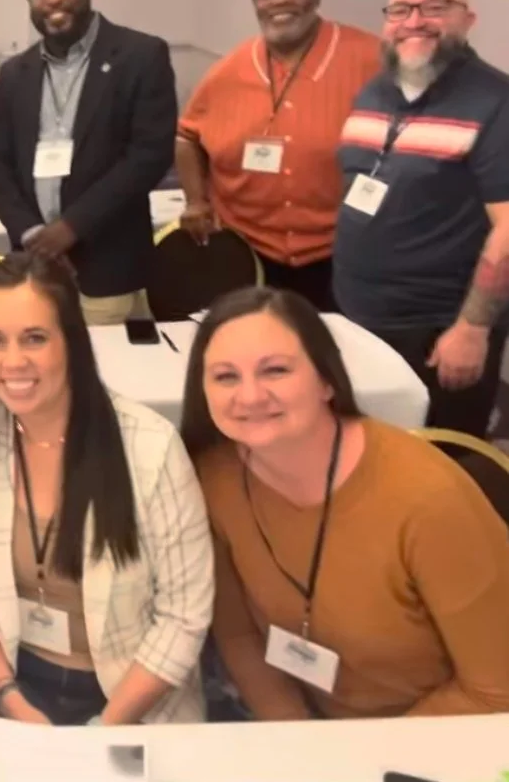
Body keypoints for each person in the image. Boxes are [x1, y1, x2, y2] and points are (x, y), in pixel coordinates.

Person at [182, 286, 509, 719]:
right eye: (225, 376)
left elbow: (495, 693)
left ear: (326, 381)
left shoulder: (429, 501)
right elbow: (240, 636)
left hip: (438, 739)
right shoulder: (214, 478)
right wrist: (301, 743)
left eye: (275, 370)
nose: (250, 396)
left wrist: (363, 760)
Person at [0, 252, 213, 726]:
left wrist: (102, 732)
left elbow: (183, 615)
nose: (12, 361)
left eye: (35, 338)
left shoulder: (149, 447)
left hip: (129, 696)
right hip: (6, 678)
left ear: (72, 341)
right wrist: (9, 698)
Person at [333, 0, 509, 438]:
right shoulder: (376, 90)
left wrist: (473, 328)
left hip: (435, 328)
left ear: (468, 19)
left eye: (435, 7)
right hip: (356, 311)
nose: (415, 21)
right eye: (400, 10)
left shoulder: (495, 102)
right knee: (365, 446)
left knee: (441, 459)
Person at [0, 0, 177, 326]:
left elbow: (148, 157)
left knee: (108, 382)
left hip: (107, 267)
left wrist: (71, 228)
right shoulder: (17, 73)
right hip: (34, 268)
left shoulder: (139, 56)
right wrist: (34, 234)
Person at [175, 0, 380, 311]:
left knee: (328, 356)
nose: (281, 1)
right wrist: (196, 199)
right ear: (256, 4)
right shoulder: (228, 71)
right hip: (247, 252)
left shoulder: (371, 59)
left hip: (339, 254)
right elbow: (187, 136)